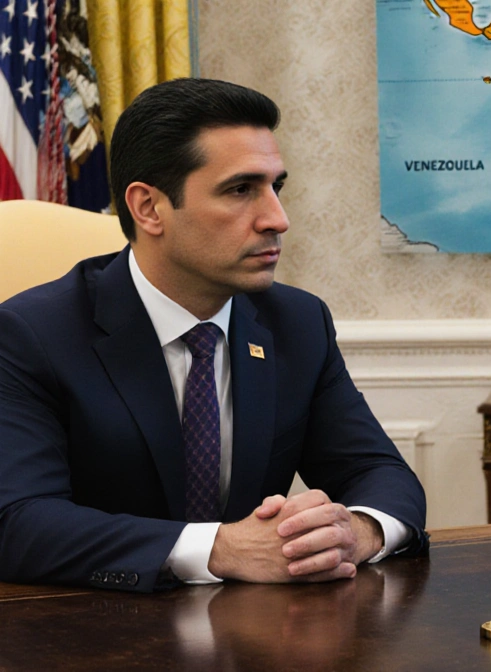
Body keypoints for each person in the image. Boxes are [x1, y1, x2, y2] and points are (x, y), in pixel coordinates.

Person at [0, 78, 428, 592]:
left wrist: (357, 531)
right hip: (91, 631)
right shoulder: (31, 334)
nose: (278, 218)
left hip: (256, 635)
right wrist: (221, 548)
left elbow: (380, 472)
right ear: (149, 208)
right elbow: (19, 522)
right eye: (240, 190)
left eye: (277, 187)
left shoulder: (296, 323)